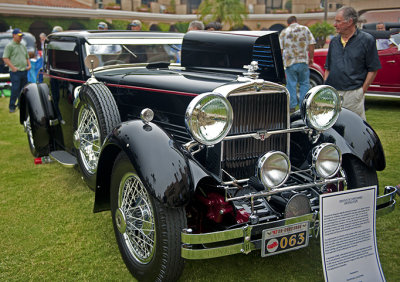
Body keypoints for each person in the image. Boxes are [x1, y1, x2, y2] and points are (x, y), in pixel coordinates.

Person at [324, 6, 381, 120]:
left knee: (354, 128)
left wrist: (361, 91)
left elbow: (373, 69)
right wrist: (326, 86)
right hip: (333, 93)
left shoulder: (367, 40)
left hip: (353, 93)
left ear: (350, 22)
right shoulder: (334, 42)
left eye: (338, 21)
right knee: (332, 128)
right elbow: (328, 67)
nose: (335, 24)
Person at [279, 16, 316, 112]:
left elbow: (281, 49)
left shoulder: (284, 32)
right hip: (302, 60)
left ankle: (292, 105)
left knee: (291, 84)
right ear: (296, 21)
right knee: (304, 83)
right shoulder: (305, 29)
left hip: (289, 62)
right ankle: (303, 105)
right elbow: (311, 44)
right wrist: (311, 58)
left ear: (288, 23)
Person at [2, 28, 31, 113]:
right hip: (15, 72)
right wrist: (13, 67)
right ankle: (12, 106)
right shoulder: (9, 46)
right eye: (19, 36)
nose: (21, 37)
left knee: (23, 90)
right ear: (14, 35)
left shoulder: (22, 46)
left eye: (21, 36)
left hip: (24, 71)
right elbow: (5, 58)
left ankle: (20, 105)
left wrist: (29, 65)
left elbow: (27, 57)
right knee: (15, 89)